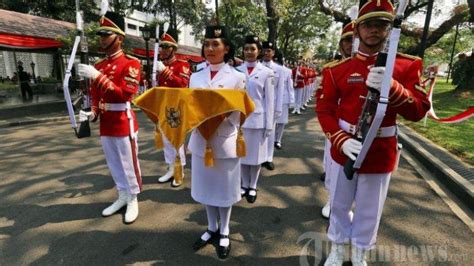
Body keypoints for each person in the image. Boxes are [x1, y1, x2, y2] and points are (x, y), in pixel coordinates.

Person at [316, 0, 430, 264]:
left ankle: (360, 252)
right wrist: (340, 139)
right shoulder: (337, 70)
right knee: (339, 204)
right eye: (368, 24)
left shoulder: (407, 66)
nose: (374, 30)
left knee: (370, 209)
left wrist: (394, 87)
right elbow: (325, 110)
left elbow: (419, 110)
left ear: (389, 29)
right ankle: (337, 247)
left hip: (380, 147)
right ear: (356, 30)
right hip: (344, 146)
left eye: (381, 24)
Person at [77, 11, 143, 224]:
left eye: (107, 34)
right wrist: (91, 112)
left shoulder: (131, 64)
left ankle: (133, 198)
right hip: (106, 123)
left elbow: (125, 94)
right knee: (114, 162)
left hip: (123, 120)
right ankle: (122, 195)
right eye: (101, 35)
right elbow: (96, 97)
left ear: (120, 38)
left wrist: (98, 77)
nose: (102, 39)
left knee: (129, 163)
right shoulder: (98, 66)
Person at [188, 25, 246, 259]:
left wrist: (217, 114)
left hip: (223, 140)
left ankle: (224, 229)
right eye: (207, 44)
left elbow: (240, 110)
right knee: (206, 189)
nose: (210, 48)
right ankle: (211, 227)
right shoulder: (195, 75)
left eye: (215, 44)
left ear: (226, 48)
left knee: (224, 189)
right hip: (201, 140)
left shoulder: (237, 77)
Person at [320, 19, 356, 220]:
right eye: (347, 40)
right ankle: (331, 198)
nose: (351, 44)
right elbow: (323, 100)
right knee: (333, 165)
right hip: (337, 125)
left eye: (354, 39)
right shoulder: (332, 69)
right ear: (341, 45)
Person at [236, 35, 274, 203]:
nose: (249, 52)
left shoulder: (267, 73)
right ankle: (244, 185)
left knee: (257, 157)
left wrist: (269, 124)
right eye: (246, 49)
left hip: (258, 120)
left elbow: (269, 100)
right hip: (240, 120)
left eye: (253, 49)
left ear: (259, 51)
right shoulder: (236, 71)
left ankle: (253, 185)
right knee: (242, 156)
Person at [155, 32, 191, 187]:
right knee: (165, 140)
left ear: (173, 49)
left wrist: (165, 71)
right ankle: (170, 168)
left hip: (176, 107)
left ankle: (179, 170)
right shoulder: (160, 64)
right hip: (163, 106)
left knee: (176, 140)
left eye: (165, 46)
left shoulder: (182, 64)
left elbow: (183, 84)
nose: (162, 49)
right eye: (161, 46)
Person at [261, 41, 284, 171]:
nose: (266, 52)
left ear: (273, 53)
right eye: (264, 50)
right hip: (258, 105)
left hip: (272, 105)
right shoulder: (257, 67)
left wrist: (278, 108)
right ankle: (259, 157)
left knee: (271, 132)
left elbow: (280, 90)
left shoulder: (279, 69)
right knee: (259, 133)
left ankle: (268, 158)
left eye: (269, 51)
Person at [274, 53, 294, 150]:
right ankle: (272, 138)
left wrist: (291, 100)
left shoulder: (288, 71)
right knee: (272, 121)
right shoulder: (268, 69)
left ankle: (278, 140)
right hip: (271, 99)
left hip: (283, 99)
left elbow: (290, 86)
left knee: (281, 122)